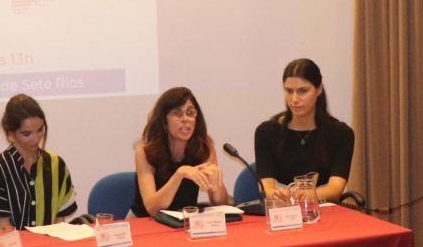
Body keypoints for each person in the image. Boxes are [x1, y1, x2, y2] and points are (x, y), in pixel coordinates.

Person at [253, 58, 355, 202]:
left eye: (303, 91)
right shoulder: (266, 132)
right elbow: (266, 187)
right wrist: (281, 196)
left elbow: (336, 188)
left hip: (323, 209)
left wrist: (302, 197)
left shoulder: (342, 134)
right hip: (282, 208)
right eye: (289, 91)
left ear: (319, 89)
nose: (294, 99)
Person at [0, 94, 77, 230]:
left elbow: (59, 224)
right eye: (26, 134)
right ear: (10, 134)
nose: (36, 139)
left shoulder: (57, 165)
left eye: (40, 130)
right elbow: (4, 229)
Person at [131, 87, 231, 216]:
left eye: (190, 113)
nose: (185, 119)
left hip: (183, 220)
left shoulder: (203, 147)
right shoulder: (145, 152)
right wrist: (179, 174)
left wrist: (216, 183)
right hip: (144, 221)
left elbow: (221, 204)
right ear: (164, 122)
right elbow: (152, 208)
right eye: (177, 114)